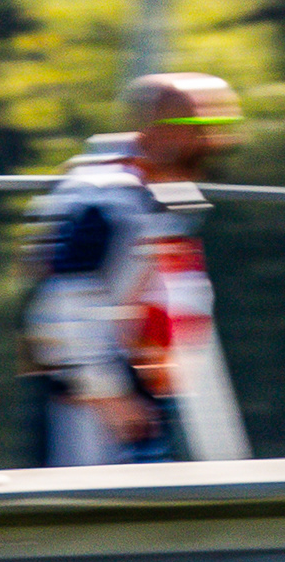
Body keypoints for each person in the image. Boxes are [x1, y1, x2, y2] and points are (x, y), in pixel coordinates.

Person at [18, 71, 246, 466]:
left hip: (144, 400)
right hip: (96, 411)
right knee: (91, 502)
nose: (214, 145)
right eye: (202, 131)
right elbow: (61, 304)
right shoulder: (106, 198)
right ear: (163, 131)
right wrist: (110, 396)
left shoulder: (161, 193)